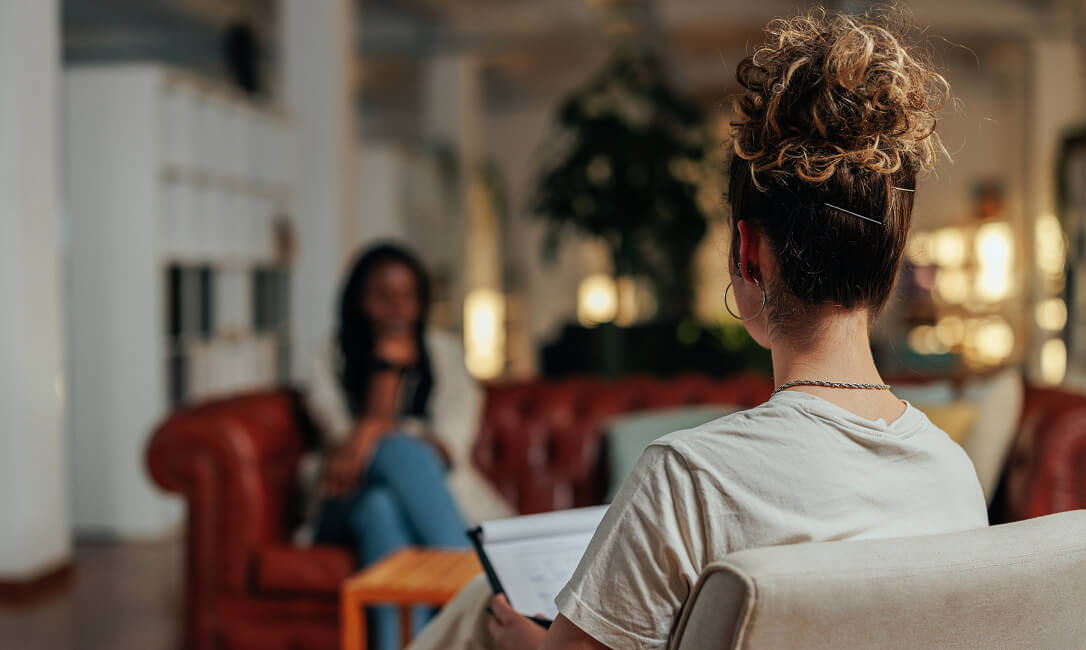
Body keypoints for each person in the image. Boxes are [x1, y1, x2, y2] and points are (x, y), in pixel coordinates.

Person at [409, 8, 988, 650]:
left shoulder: (689, 479)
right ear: (892, 260)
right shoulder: (953, 476)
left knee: (476, 614)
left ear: (747, 254)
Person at [297, 243, 514, 650]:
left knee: (381, 506)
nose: (396, 309)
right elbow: (349, 460)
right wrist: (386, 373)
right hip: (339, 501)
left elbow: (449, 448)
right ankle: (478, 589)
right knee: (394, 452)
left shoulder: (446, 356)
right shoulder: (329, 358)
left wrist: (374, 431)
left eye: (407, 297)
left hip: (387, 501)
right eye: (382, 297)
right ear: (358, 302)